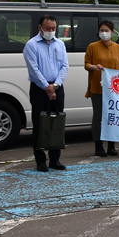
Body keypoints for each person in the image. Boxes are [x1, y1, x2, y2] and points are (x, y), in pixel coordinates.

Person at [23, 15, 69, 172]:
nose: (51, 31)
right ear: (40, 28)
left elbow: (65, 66)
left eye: (53, 28)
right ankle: (40, 160)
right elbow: (33, 69)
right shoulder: (31, 45)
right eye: (48, 28)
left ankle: (55, 159)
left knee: (57, 123)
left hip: (57, 86)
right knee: (40, 124)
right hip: (39, 88)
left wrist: (55, 85)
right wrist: (46, 87)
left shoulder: (60, 44)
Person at [85, 20, 119, 157]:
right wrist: (93, 67)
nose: (104, 33)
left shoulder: (118, 48)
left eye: (107, 30)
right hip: (97, 87)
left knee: (113, 116)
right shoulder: (92, 47)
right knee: (98, 117)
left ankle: (111, 146)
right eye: (102, 30)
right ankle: (98, 145)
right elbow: (86, 64)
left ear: (112, 32)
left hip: (114, 90)